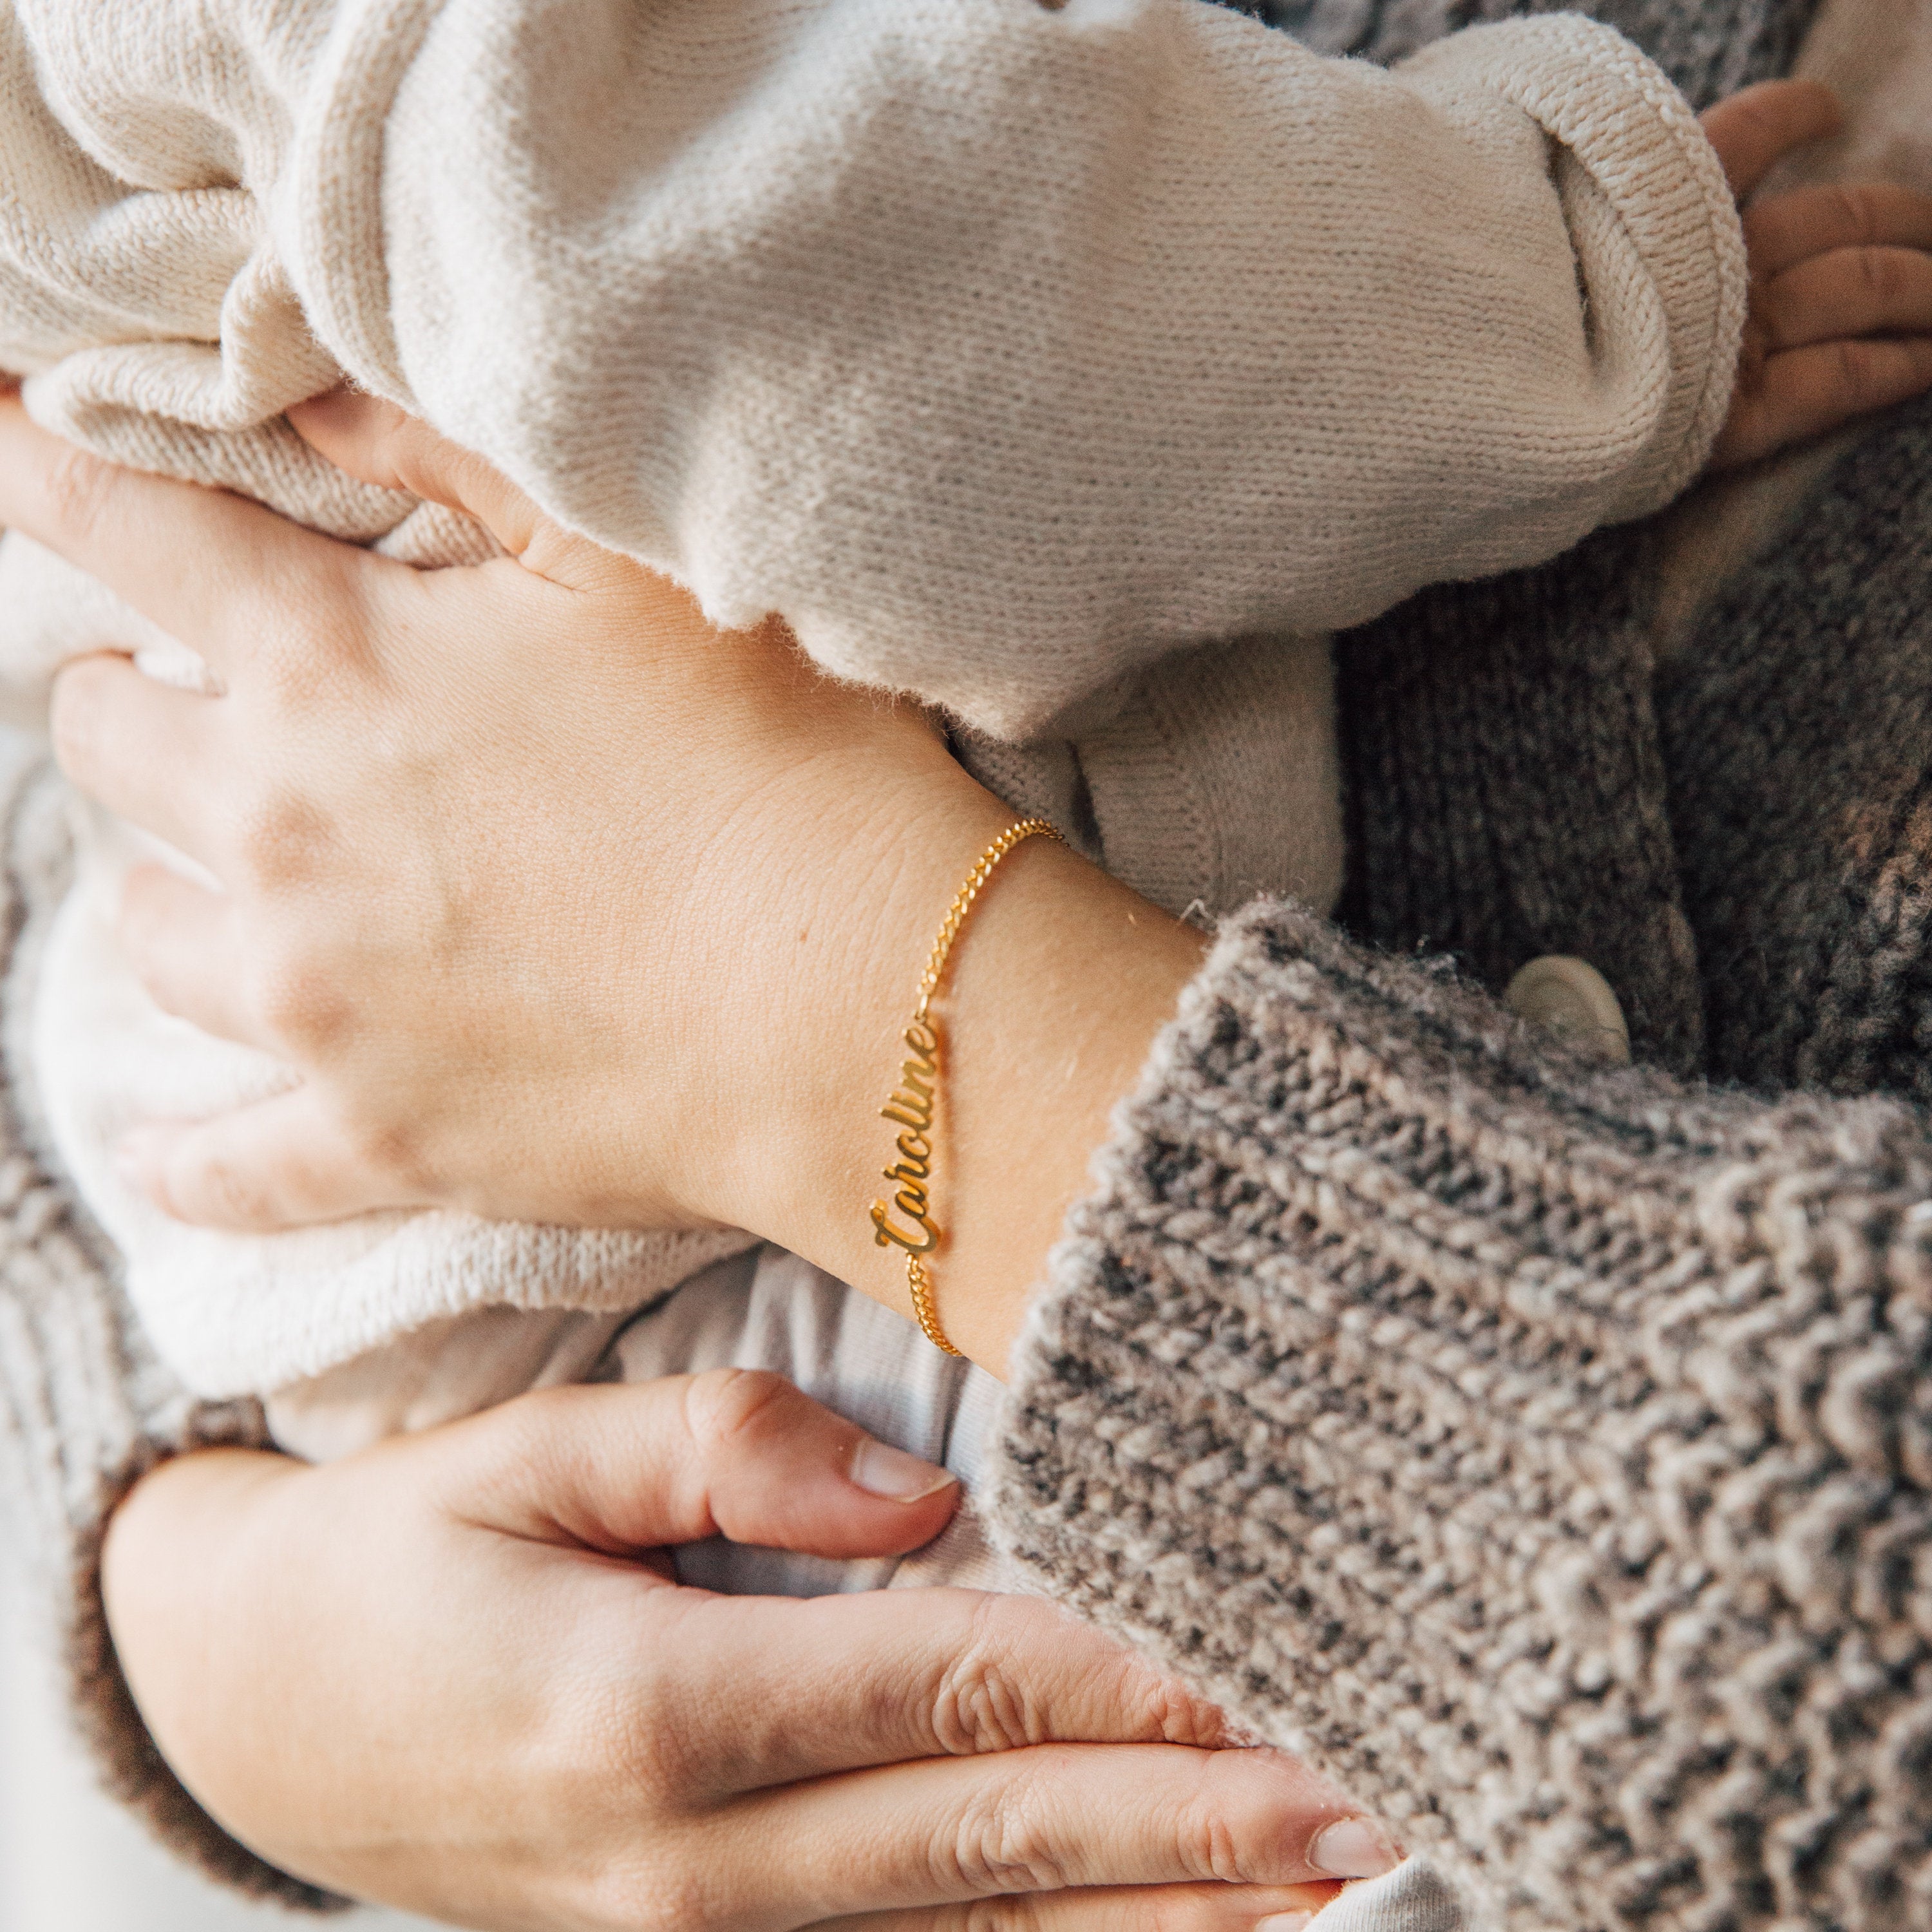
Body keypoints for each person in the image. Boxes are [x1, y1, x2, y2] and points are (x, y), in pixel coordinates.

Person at [5, 0, 1931, 1525]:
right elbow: (826, 298)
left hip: (318, 1188)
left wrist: (199, 1613)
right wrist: (1567, 297)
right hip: (629, 1238)